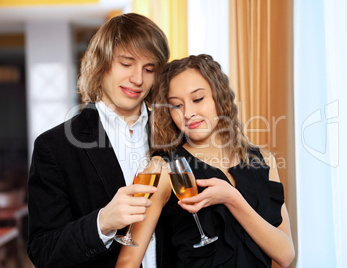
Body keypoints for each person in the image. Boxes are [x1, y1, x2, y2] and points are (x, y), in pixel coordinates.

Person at [116, 54, 295, 267]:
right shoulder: (164, 169)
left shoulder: (263, 160)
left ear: (218, 96)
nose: (188, 113)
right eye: (176, 105)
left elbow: (286, 255)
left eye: (198, 99)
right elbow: (128, 261)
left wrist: (231, 198)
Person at [27, 13, 170, 267]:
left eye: (149, 69)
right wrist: (102, 222)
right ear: (101, 64)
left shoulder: (171, 136)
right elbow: (43, 251)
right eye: (126, 64)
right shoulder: (54, 147)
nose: (138, 79)